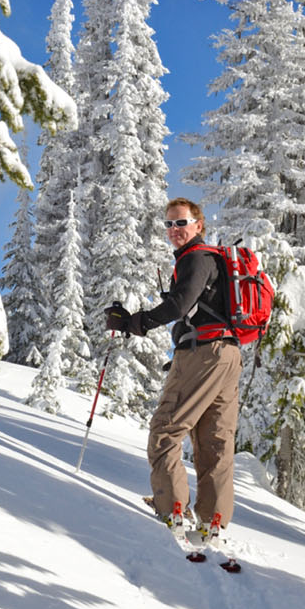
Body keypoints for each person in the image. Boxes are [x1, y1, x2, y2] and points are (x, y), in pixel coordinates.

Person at [105, 198, 241, 533]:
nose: (174, 230)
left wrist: (134, 323)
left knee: (166, 430)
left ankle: (173, 509)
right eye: (169, 225)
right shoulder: (213, 261)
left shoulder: (196, 258)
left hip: (202, 353)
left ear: (199, 225)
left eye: (181, 223)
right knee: (215, 441)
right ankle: (214, 521)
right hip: (228, 355)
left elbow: (180, 306)